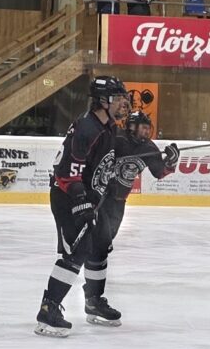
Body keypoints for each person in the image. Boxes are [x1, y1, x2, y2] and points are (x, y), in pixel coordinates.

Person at [35, 77, 137, 335]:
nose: (124, 103)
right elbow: (66, 174)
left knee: (100, 246)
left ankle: (93, 302)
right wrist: (81, 203)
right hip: (69, 198)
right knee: (77, 252)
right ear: (103, 101)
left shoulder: (108, 127)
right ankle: (49, 309)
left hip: (91, 199)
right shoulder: (87, 128)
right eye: (118, 98)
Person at [93, 110, 180, 294]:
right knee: (100, 240)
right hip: (102, 198)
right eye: (143, 128)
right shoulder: (116, 138)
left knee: (106, 242)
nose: (147, 132)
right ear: (132, 126)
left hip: (119, 202)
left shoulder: (149, 148)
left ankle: (95, 270)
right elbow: (95, 155)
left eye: (148, 128)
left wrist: (171, 162)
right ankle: (92, 276)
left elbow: (159, 172)